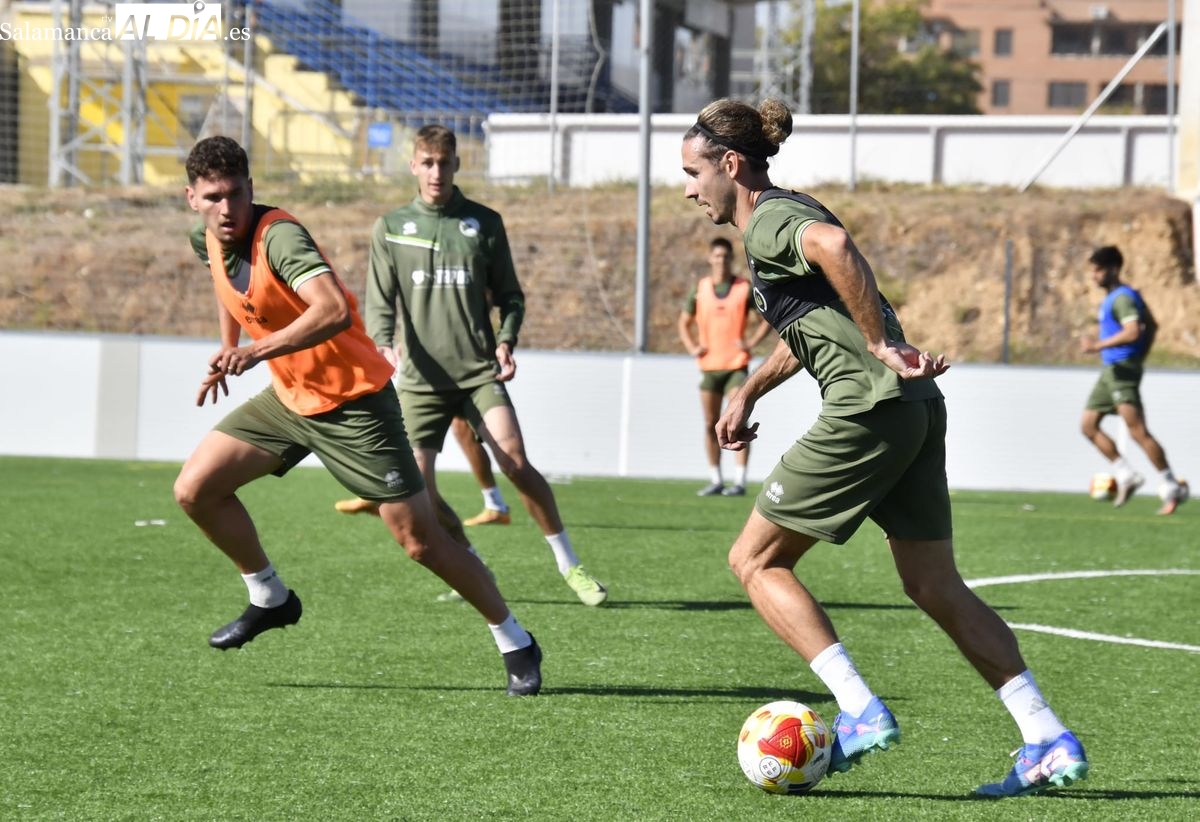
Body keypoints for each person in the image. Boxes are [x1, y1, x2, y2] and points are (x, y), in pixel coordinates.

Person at [681, 98, 1088, 797]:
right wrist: (749, 391)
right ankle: (1046, 735)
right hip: (914, 409)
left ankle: (859, 711)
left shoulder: (774, 218)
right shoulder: (785, 215)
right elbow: (811, 322)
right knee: (933, 585)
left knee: (752, 560)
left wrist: (878, 344)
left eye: (693, 172)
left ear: (730, 164)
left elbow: (835, 252)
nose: (688, 188)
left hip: (867, 407)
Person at [175, 135, 542, 696]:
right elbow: (226, 286)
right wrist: (230, 349)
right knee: (195, 489)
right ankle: (270, 597)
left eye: (236, 193)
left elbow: (331, 310)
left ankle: (515, 638)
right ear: (192, 199)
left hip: (355, 404)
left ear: (251, 188)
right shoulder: (208, 239)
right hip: (291, 399)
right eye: (213, 197)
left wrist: (253, 351)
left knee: (421, 541)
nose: (227, 208)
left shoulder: (281, 238)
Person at [336, 124, 607, 606]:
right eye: (427, 162)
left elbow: (511, 296)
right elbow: (380, 300)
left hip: (479, 373)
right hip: (420, 382)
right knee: (417, 495)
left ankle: (571, 564)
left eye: (445, 162)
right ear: (414, 165)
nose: (437, 172)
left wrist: (506, 340)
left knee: (516, 463)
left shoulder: (483, 223)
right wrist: (381, 342)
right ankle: (472, 561)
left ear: (458, 164)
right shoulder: (392, 227)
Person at [1080, 245, 1187, 515]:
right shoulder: (1117, 297)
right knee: (1088, 425)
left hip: (1121, 370)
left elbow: (1133, 331)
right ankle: (1126, 474)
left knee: (1138, 431)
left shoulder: (1122, 298)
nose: (1093, 276)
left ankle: (1170, 484)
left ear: (1113, 269)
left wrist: (1100, 346)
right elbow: (1152, 326)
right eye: (1092, 270)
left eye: (1098, 269)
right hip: (1112, 371)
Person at [678, 236, 772, 497]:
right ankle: (715, 478)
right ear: (710, 258)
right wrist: (692, 346)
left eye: (726, 256)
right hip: (709, 366)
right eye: (717, 256)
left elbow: (766, 318)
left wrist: (750, 342)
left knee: (737, 418)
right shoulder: (701, 289)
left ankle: (740, 481)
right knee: (710, 422)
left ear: (732, 259)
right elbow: (683, 323)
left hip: (735, 365)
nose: (721, 260)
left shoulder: (743, 288)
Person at [335, 415, 513, 525]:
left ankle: (377, 494)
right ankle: (495, 504)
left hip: (448, 373)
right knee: (461, 427)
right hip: (432, 376)